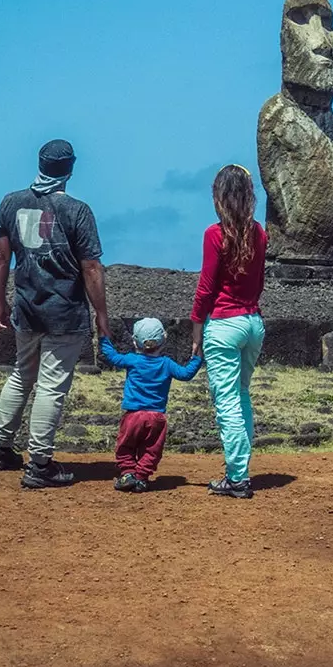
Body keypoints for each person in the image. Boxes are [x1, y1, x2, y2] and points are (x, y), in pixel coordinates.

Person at [0, 139, 109, 489]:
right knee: (52, 386)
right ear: (70, 169)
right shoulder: (77, 211)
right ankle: (40, 463)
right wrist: (101, 315)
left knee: (22, 374)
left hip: (26, 305)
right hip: (64, 311)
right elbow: (91, 267)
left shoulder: (11, 203)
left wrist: (0, 301)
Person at [191, 164, 267, 500]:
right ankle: (240, 469)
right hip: (252, 321)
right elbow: (259, 281)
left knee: (228, 403)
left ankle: (237, 477)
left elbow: (206, 287)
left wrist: (196, 326)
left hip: (224, 324)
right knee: (242, 394)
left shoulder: (215, 234)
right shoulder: (259, 233)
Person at [99, 318, 201, 492]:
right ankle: (141, 477)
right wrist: (197, 357)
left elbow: (111, 356)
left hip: (133, 415)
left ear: (134, 341)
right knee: (151, 450)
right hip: (156, 417)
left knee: (125, 446)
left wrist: (103, 338)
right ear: (164, 338)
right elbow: (185, 374)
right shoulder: (167, 364)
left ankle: (128, 473)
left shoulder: (132, 360)